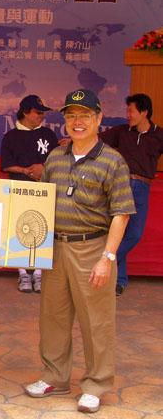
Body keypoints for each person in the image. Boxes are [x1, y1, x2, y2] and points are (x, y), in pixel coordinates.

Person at [24, 89, 135, 414]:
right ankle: (55, 377)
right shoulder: (56, 157)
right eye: (71, 115)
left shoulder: (113, 161)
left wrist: (107, 258)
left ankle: (96, 384)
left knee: (96, 322)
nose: (77, 121)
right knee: (53, 318)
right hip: (55, 248)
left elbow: (121, 213)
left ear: (98, 118)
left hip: (93, 249)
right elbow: (40, 202)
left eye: (85, 115)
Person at [99, 93, 163, 296]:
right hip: (120, 184)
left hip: (142, 187)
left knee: (134, 234)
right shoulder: (121, 131)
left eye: (131, 111)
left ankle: (104, 260)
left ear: (144, 112)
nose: (127, 115)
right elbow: (95, 141)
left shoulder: (159, 135)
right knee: (117, 231)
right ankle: (119, 281)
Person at [0, 94, 59, 293]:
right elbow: (6, 165)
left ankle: (39, 273)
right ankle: (23, 273)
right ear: (25, 113)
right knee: (20, 228)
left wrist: (43, 167)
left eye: (43, 112)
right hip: (20, 189)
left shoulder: (48, 134)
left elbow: (57, 160)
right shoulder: (11, 136)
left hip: (44, 191)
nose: (41, 116)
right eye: (38, 112)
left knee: (43, 228)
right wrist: (25, 171)